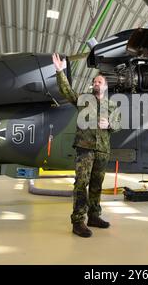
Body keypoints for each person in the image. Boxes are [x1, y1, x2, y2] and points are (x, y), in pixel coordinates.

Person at [53, 53, 121, 238]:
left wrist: (110, 125)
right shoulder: (83, 100)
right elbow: (67, 92)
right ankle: (78, 221)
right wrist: (60, 71)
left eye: (100, 82)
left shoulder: (113, 106)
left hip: (102, 150)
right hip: (85, 148)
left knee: (97, 185)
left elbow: (118, 125)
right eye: (95, 82)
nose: (96, 84)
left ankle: (94, 216)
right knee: (81, 184)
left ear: (106, 86)